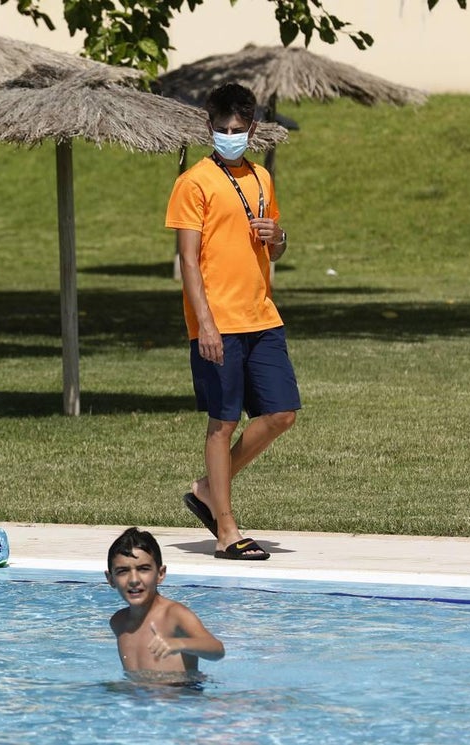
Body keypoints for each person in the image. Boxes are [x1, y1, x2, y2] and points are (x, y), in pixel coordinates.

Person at [166, 82, 301, 560]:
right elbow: (187, 260)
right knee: (221, 424)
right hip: (217, 321)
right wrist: (205, 324)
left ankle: (207, 486)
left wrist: (278, 235)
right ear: (209, 127)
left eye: (238, 130)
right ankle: (226, 527)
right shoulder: (194, 183)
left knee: (282, 414)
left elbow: (275, 248)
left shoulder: (262, 178)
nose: (229, 136)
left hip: (262, 315)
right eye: (221, 129)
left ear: (253, 129)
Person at [106, 528, 223, 679]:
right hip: (136, 696)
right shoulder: (118, 622)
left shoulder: (174, 614)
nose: (134, 580)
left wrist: (180, 643)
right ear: (110, 579)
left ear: (160, 574)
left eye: (143, 569)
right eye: (123, 571)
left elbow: (217, 650)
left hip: (181, 696)